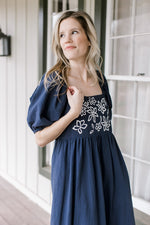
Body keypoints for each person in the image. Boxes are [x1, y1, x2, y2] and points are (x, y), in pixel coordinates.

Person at [27, 10, 136, 225]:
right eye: (61, 35)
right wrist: (73, 113)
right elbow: (40, 138)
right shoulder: (54, 80)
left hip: (108, 163)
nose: (67, 39)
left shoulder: (99, 78)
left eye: (74, 32)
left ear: (88, 38)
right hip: (75, 168)